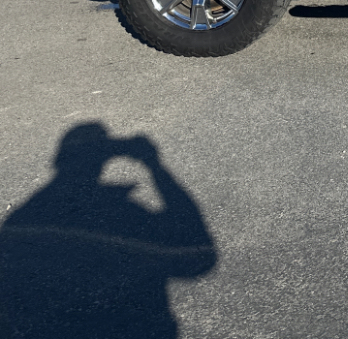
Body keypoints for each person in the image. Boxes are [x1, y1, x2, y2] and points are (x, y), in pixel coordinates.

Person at [0, 122, 217, 339]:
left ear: (60, 160)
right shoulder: (125, 214)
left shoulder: (23, 219)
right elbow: (197, 254)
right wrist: (154, 165)